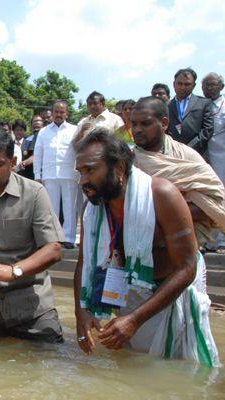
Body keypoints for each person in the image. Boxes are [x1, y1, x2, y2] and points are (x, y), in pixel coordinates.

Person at [73, 127, 219, 367]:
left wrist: (134, 320)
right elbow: (83, 262)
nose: (83, 181)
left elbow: (187, 267)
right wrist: (81, 313)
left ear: (119, 167)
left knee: (180, 367)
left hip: (172, 291)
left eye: (90, 170)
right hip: (129, 290)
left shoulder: (162, 195)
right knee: (132, 365)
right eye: (80, 172)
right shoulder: (93, 207)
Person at [0, 130, 65, 342]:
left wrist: (12, 271)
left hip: (30, 308)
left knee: (51, 360)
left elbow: (53, 249)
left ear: (12, 162)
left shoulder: (35, 193)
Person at [131, 96, 225, 247]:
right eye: (134, 124)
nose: (137, 130)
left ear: (164, 123)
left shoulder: (186, 156)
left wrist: (163, 212)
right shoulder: (127, 161)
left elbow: (214, 202)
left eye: (145, 124)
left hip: (185, 246)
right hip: (137, 246)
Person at [34, 101, 79, 248]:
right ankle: (53, 238)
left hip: (70, 174)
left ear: (67, 113)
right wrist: (37, 176)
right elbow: (38, 155)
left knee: (70, 208)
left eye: (62, 112)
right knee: (51, 209)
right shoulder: (43, 132)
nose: (59, 115)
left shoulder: (75, 130)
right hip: (49, 174)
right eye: (56, 112)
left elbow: (79, 151)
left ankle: (69, 238)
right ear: (52, 113)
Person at [202, 73, 225, 253]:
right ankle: (207, 241)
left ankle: (221, 241)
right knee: (205, 199)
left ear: (221, 87)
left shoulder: (223, 106)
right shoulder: (199, 106)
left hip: (222, 158)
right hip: (203, 158)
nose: (209, 88)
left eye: (213, 85)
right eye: (206, 85)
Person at [167, 68, 213, 155]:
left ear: (194, 85)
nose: (182, 87)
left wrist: (188, 149)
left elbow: (207, 130)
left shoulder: (204, 103)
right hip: (173, 155)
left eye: (187, 84)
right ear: (174, 84)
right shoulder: (166, 106)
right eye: (179, 84)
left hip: (197, 154)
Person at [19, 115, 44, 179]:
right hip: (27, 175)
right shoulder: (26, 140)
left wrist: (24, 163)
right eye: (34, 121)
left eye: (39, 121)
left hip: (41, 175)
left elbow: (35, 155)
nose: (36, 122)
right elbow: (23, 154)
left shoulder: (45, 139)